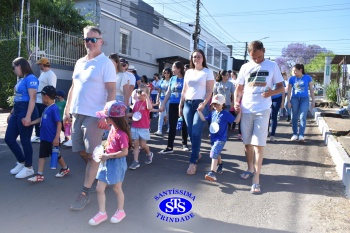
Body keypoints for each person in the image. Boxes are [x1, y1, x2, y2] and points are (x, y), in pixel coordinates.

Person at [63, 26, 117, 210]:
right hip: (77, 114)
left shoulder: (106, 63)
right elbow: (73, 87)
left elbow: (111, 90)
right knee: (81, 151)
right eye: (87, 39)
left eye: (93, 39)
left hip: (95, 116)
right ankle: (101, 172)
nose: (89, 42)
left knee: (93, 154)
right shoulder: (79, 62)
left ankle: (85, 192)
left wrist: (106, 115)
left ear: (101, 41)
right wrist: (67, 110)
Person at [234, 40, 284, 194]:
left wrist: (271, 93)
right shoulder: (245, 67)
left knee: (259, 144)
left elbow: (281, 87)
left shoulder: (272, 65)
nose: (256, 60)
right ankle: (249, 168)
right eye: (253, 58)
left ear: (264, 50)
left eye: (259, 57)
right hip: (246, 109)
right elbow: (239, 88)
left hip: (263, 109)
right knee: (247, 143)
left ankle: (256, 179)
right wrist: (236, 102)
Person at [88, 101, 131, 226]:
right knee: (99, 188)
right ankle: (102, 213)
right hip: (106, 161)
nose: (103, 119)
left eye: (105, 117)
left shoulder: (122, 134)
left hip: (116, 163)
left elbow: (125, 152)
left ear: (112, 118)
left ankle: (121, 211)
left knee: (117, 189)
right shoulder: (112, 128)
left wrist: (108, 155)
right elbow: (109, 142)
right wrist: (103, 148)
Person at [24, 86, 70, 182]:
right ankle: (40, 175)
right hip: (44, 137)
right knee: (42, 156)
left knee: (56, 156)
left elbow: (59, 123)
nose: (41, 98)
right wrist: (30, 123)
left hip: (51, 138)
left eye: (42, 96)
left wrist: (57, 138)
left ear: (46, 97)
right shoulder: (47, 108)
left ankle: (65, 168)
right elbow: (41, 118)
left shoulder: (54, 108)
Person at [179, 49, 214, 175]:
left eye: (199, 57)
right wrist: (180, 104)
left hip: (200, 104)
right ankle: (197, 152)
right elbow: (184, 90)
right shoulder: (188, 72)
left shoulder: (207, 72)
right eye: (194, 57)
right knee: (190, 132)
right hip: (188, 104)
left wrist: (204, 103)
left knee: (195, 132)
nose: (196, 59)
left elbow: (210, 91)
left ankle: (192, 162)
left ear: (203, 58)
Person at [6, 57, 39, 179]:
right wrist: (11, 113)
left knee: (25, 140)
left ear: (20, 66)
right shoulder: (22, 79)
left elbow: (32, 99)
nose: (14, 70)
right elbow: (17, 97)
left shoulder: (31, 78)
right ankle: (21, 161)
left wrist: (28, 117)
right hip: (17, 110)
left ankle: (29, 167)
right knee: (9, 138)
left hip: (26, 110)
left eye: (14, 68)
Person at [198, 94, 235, 181]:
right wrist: (199, 111)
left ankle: (212, 172)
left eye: (217, 104)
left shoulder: (226, 114)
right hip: (213, 137)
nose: (215, 106)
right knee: (216, 153)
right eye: (214, 104)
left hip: (221, 138)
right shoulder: (213, 113)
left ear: (223, 104)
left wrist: (240, 113)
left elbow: (235, 120)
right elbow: (204, 119)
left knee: (213, 152)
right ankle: (220, 164)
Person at [159, 61, 189, 153]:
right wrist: (163, 103)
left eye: (173, 67)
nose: (172, 69)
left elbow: (187, 93)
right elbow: (168, 92)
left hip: (183, 104)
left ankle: (184, 144)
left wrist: (182, 104)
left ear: (179, 68)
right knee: (172, 125)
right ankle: (169, 147)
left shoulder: (185, 79)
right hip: (172, 104)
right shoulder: (172, 79)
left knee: (184, 124)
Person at [31, 57, 57, 143]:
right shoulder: (43, 74)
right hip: (39, 100)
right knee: (37, 117)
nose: (39, 66)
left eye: (39, 64)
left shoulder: (51, 74)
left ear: (42, 64)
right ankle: (38, 135)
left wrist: (48, 102)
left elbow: (51, 88)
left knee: (43, 119)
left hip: (44, 101)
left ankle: (41, 135)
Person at [128, 86, 154, 170]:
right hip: (135, 126)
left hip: (144, 127)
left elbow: (150, 108)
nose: (140, 94)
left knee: (142, 145)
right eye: (139, 92)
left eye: (142, 93)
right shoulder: (136, 102)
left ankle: (149, 153)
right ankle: (136, 161)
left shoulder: (147, 102)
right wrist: (123, 115)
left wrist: (146, 96)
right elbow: (134, 114)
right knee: (135, 145)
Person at [287, 64, 315, 141]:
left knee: (302, 117)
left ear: (300, 70)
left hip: (304, 99)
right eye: (293, 71)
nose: (294, 72)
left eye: (295, 70)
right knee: (294, 117)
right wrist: (288, 101)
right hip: (294, 99)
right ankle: (295, 134)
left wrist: (313, 100)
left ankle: (301, 135)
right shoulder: (292, 79)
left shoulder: (307, 78)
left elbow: (311, 90)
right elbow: (289, 91)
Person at [154, 68, 171, 135]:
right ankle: (159, 130)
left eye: (168, 73)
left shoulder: (171, 80)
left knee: (169, 114)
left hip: (169, 99)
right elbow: (159, 91)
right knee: (161, 114)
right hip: (161, 98)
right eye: (165, 73)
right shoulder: (161, 81)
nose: (166, 74)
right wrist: (157, 99)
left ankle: (169, 128)